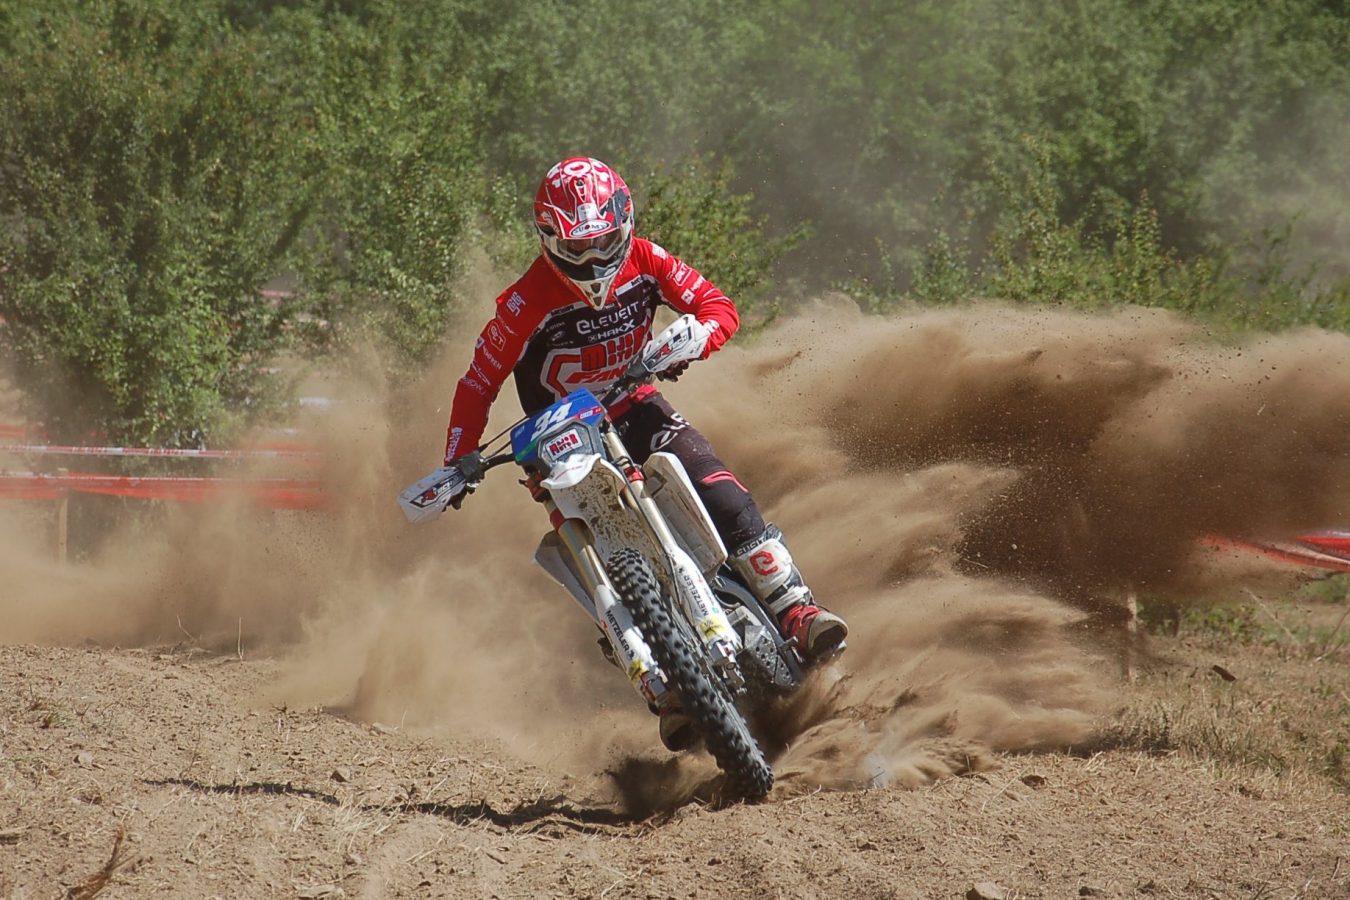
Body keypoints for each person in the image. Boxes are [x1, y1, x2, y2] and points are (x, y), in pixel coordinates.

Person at [443, 156, 847, 750]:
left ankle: (796, 612)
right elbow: (478, 383)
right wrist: (459, 459)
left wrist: (692, 338)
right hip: (561, 442)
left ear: (624, 223)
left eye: (603, 241)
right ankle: (664, 688)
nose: (592, 260)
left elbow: (719, 308)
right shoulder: (524, 303)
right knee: (594, 561)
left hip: (635, 406)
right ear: (548, 238)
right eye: (576, 248)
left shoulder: (647, 259)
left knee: (718, 488)